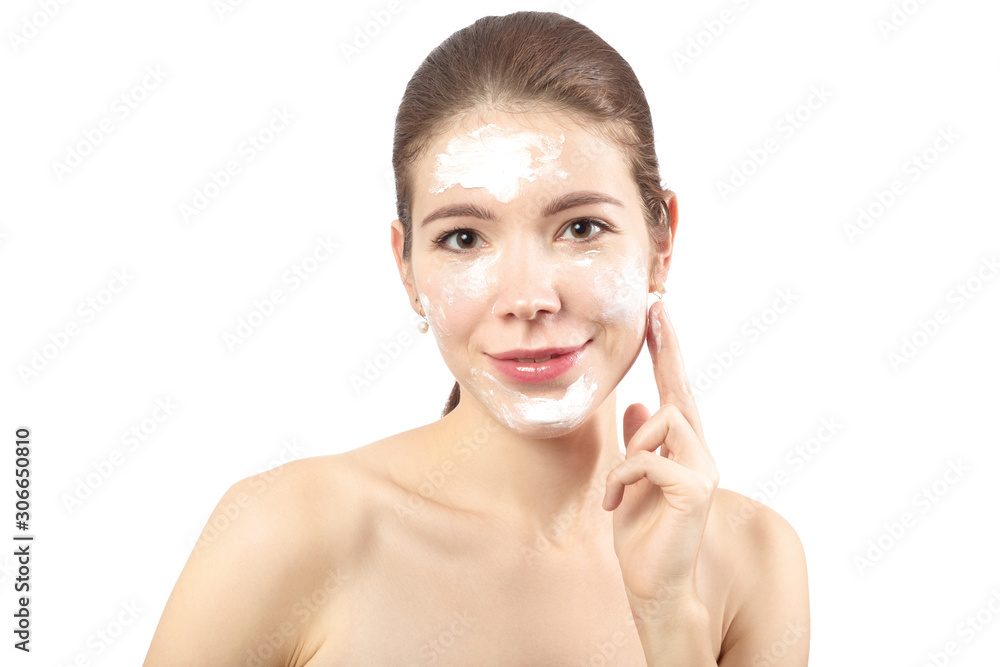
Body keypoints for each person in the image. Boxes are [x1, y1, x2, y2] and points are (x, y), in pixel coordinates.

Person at [143, 11, 809, 666]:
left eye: (580, 228)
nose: (528, 297)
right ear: (407, 267)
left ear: (661, 243)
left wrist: (668, 614)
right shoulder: (286, 532)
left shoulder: (752, 561)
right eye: (464, 238)